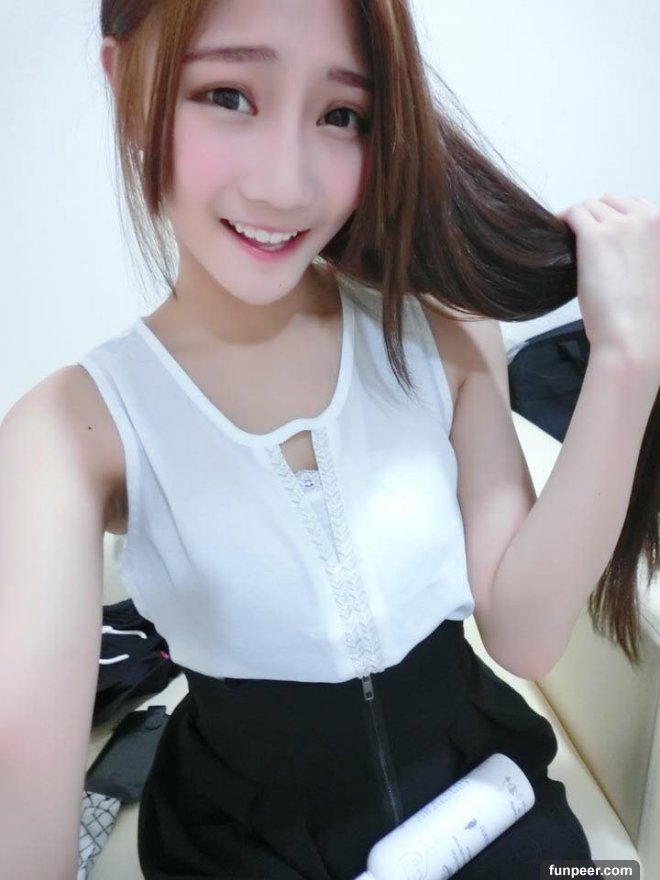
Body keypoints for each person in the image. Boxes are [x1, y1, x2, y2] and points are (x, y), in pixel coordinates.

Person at [1, 1, 658, 878]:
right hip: (240, 840)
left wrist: (627, 363)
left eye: (342, 114)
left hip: (481, 792)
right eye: (228, 95)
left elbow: (525, 638)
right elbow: (20, 778)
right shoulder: (70, 428)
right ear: (128, 89)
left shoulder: (443, 334)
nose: (287, 185)